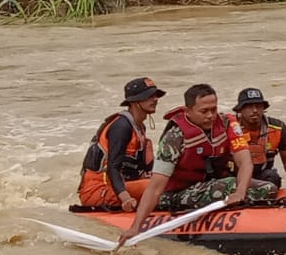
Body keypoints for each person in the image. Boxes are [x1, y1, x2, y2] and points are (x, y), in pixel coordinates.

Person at [116, 83, 277, 245]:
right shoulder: (175, 137)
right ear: (188, 111)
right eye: (204, 111)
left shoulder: (227, 123)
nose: (210, 116)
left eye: (213, 109)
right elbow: (156, 186)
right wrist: (136, 227)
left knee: (268, 188)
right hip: (178, 193)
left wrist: (241, 192)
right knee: (229, 185)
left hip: (211, 185)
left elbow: (245, 162)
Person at [78, 78, 165, 210]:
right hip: (97, 191)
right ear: (134, 101)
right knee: (156, 188)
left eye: (156, 95)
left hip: (120, 186)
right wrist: (125, 198)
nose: (155, 99)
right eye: (149, 96)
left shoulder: (139, 128)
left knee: (164, 182)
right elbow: (113, 167)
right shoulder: (121, 126)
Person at [233, 87, 286, 189]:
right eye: (249, 107)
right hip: (235, 177)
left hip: (262, 176)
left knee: (273, 178)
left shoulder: (278, 128)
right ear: (240, 109)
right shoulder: (230, 128)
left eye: (258, 106)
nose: (254, 110)